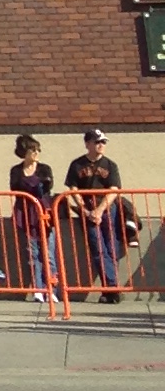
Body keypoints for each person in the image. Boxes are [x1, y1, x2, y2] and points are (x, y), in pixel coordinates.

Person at [62, 127, 132, 304]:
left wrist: (100, 210)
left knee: (111, 248)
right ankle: (112, 288)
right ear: (88, 144)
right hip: (87, 209)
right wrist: (85, 210)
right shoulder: (77, 164)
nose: (101, 145)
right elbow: (73, 188)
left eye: (103, 142)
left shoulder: (110, 165)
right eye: (97, 142)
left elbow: (114, 189)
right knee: (98, 249)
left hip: (107, 209)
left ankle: (110, 289)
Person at [10, 132, 59, 315]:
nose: (36, 153)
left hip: (43, 213)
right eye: (33, 150)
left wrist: (37, 186)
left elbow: (47, 187)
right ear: (25, 152)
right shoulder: (16, 170)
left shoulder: (44, 169)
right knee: (32, 253)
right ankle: (38, 289)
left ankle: (51, 289)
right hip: (26, 213)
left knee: (48, 253)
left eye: (38, 150)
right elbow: (15, 188)